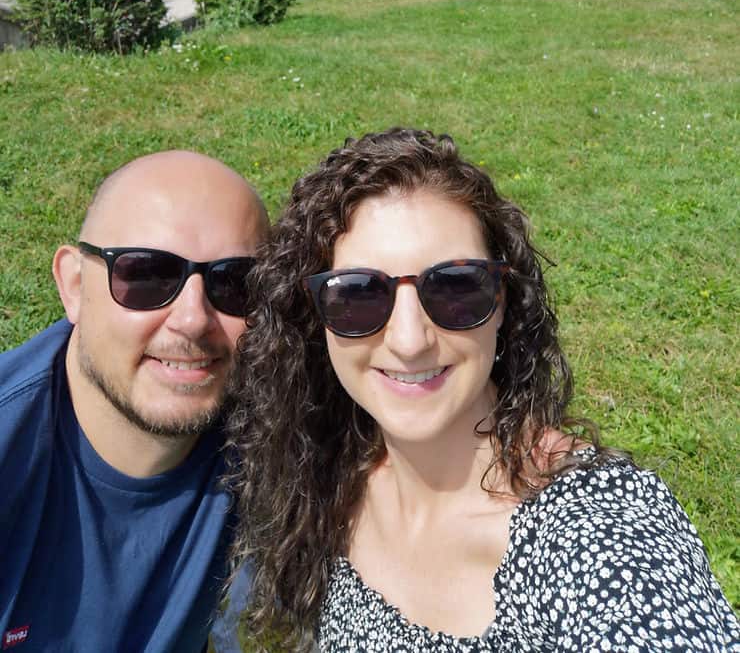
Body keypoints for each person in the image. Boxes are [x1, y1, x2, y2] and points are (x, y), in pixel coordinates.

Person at [227, 128, 739, 651]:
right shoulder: (328, 466)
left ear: (504, 303)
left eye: (454, 287)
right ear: (316, 319)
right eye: (357, 295)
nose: (409, 340)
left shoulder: (599, 536)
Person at [0, 151, 269, 653]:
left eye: (235, 283)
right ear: (74, 286)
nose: (193, 319)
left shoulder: (278, 433)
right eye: (146, 275)